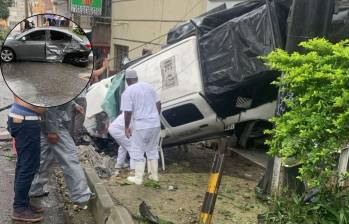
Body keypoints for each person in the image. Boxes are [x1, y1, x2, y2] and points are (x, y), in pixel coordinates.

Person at [29, 102, 92, 206]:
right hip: (55, 125)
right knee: (70, 158)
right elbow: (51, 102)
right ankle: (81, 195)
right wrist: (52, 130)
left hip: (46, 122)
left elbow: (59, 96)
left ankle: (34, 189)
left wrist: (73, 105)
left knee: (44, 158)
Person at [7, 96, 45, 222]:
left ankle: (22, 202)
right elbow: (37, 107)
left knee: (23, 164)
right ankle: (19, 208)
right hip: (26, 122)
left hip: (20, 119)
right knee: (28, 167)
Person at [120, 69, 161, 185]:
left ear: (127, 80)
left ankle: (138, 178)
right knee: (152, 149)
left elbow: (127, 112)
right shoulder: (149, 87)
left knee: (137, 150)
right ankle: (154, 176)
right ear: (137, 78)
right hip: (155, 123)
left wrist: (126, 127)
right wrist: (155, 117)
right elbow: (158, 103)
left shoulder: (127, 92)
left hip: (141, 125)